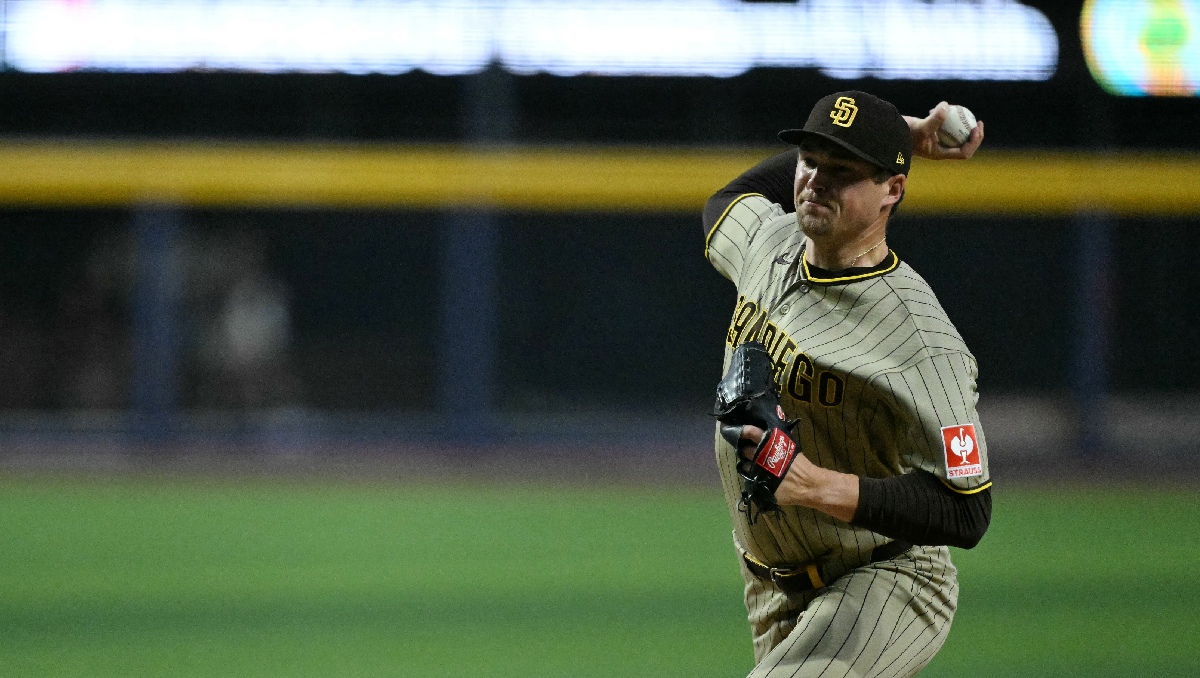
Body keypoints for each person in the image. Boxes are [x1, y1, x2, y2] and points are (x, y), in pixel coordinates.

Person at [702, 90, 991, 678]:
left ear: (893, 189)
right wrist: (904, 136)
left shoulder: (918, 337)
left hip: (887, 580)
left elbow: (968, 511)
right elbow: (725, 199)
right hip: (772, 589)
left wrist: (819, 487)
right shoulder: (770, 244)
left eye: (843, 171)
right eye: (810, 160)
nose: (815, 181)